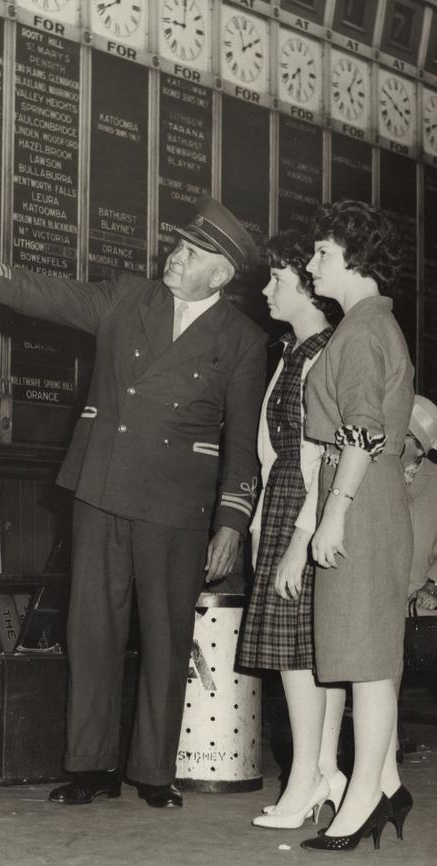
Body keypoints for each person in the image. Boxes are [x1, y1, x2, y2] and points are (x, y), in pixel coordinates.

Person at [0, 199, 267, 809]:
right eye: (177, 246)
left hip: (176, 503)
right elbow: (43, 293)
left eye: (191, 254)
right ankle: (91, 767)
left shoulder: (243, 340)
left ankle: (154, 773)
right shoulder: (128, 298)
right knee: (92, 630)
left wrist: (232, 522)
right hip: (101, 486)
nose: (174, 257)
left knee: (165, 636)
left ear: (221, 275)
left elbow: (242, 444)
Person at [299, 200, 414, 853]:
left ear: (355, 260)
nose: (313, 262)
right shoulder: (366, 326)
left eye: (321, 253)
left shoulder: (364, 333)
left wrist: (333, 512)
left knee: (368, 663)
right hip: (367, 497)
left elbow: (363, 432)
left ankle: (363, 798)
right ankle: (388, 782)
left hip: (362, 499)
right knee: (365, 656)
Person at [236, 231, 347, 830]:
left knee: (296, 657)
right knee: (311, 652)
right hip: (284, 502)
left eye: (279, 279)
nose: (267, 288)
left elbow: (320, 456)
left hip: (302, 506)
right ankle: (325, 769)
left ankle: (305, 778)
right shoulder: (294, 352)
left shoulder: (323, 353)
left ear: (309, 291)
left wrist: (298, 541)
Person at [402, 396, 437, 613]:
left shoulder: (434, 481)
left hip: (421, 602)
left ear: (419, 449)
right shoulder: (373, 473)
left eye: (401, 435)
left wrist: (432, 585)